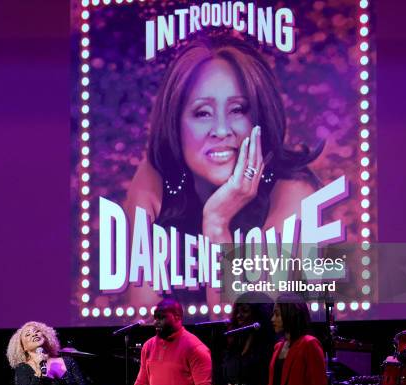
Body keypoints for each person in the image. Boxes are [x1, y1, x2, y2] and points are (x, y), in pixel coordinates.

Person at [123, 34, 323, 307]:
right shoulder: (156, 177)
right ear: (175, 123)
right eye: (202, 112)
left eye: (238, 110)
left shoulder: (292, 189)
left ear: (261, 117)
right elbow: (144, 323)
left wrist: (217, 222)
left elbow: (247, 331)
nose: (220, 130)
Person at [129, 298, 212, 385]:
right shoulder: (148, 346)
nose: (156, 322)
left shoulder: (195, 348)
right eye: (155, 317)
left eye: (161, 317)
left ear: (177, 317)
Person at [260, 295, 326, 385]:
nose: (272, 319)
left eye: (277, 314)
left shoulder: (309, 344)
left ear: (291, 315)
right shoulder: (278, 347)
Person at [7, 321, 91, 385]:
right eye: (28, 334)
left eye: (37, 331)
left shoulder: (68, 361)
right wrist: (39, 372)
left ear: (45, 336)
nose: (34, 334)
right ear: (23, 347)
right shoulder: (23, 369)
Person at [223, 295, 275, 385]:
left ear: (258, 315)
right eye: (237, 311)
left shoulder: (268, 345)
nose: (238, 316)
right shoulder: (235, 344)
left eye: (245, 311)